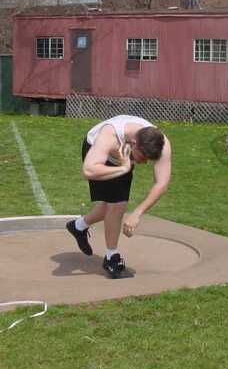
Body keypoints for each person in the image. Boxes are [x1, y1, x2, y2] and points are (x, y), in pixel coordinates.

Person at [66, 115, 172, 278]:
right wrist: (123, 169)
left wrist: (137, 213)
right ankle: (111, 259)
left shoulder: (162, 144)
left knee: (108, 207)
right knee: (117, 205)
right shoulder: (110, 135)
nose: (144, 163)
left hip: (123, 159)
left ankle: (78, 226)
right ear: (135, 144)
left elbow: (162, 184)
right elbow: (88, 171)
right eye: (143, 158)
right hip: (98, 157)